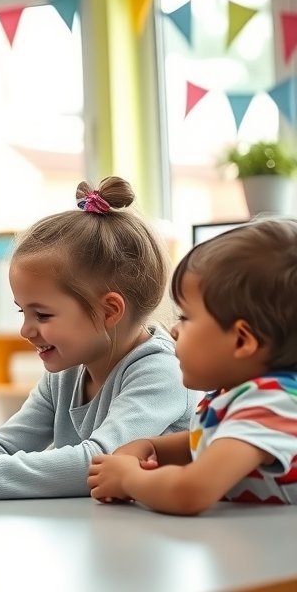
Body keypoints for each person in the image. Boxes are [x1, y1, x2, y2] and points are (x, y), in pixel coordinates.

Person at [0, 177, 197, 499]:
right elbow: (4, 443)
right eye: (22, 312)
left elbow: (99, 461)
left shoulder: (161, 373)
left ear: (109, 311)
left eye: (42, 315)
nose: (26, 330)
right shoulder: (67, 372)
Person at [88, 219, 297, 514]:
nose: (173, 331)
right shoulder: (237, 396)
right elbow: (203, 444)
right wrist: (149, 446)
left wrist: (129, 479)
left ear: (241, 340)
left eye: (185, 318)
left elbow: (190, 492)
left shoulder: (273, 403)